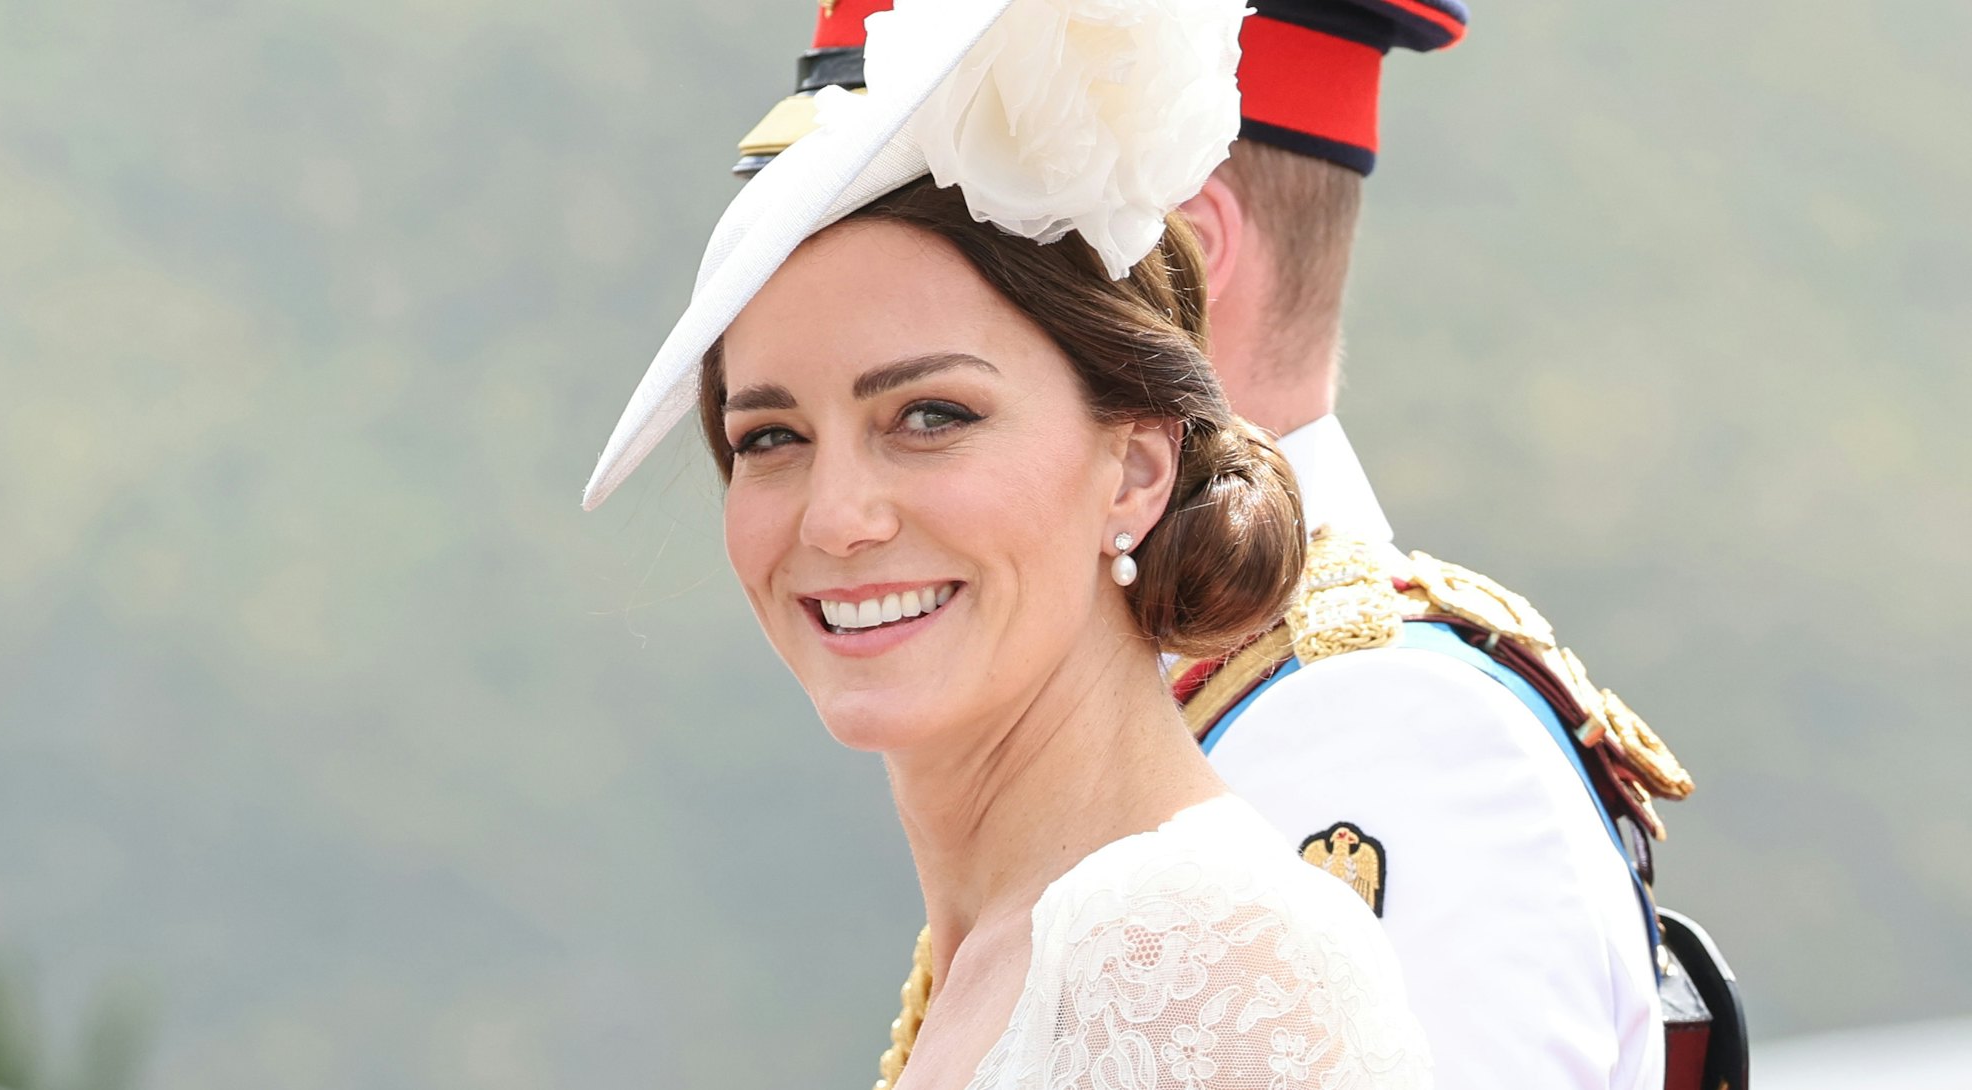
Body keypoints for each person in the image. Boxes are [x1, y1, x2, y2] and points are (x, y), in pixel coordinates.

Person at [731, 3, 1745, 1090]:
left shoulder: (1372, 722)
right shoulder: (1080, 717)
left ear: (1178, 259)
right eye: (771, 435)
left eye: (930, 409)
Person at [583, 1, 1436, 1085]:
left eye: (930, 416)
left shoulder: (1196, 963)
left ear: (1133, 466)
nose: (836, 516)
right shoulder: (1008, 952)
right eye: (770, 436)